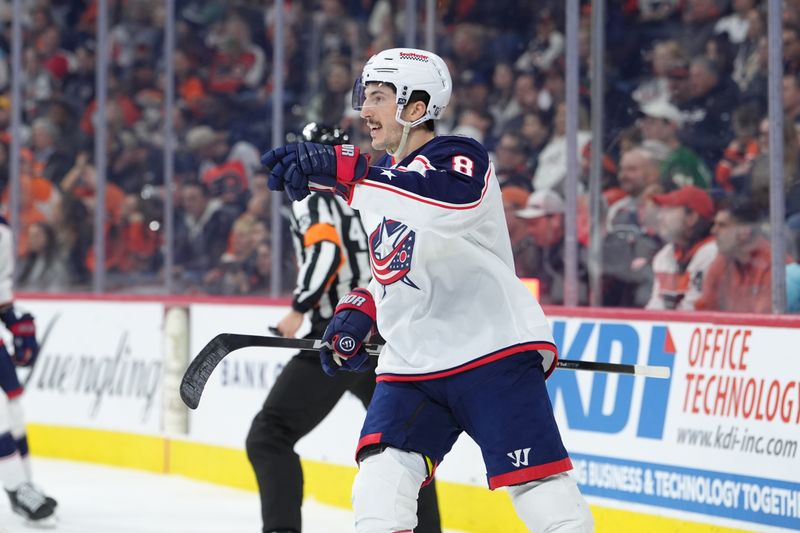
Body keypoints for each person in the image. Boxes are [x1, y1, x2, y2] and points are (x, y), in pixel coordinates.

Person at [262, 48, 594, 533]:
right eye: (364, 97)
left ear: (417, 108)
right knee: (379, 487)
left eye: (377, 97)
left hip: (490, 352)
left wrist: (350, 173)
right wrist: (362, 308)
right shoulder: (378, 190)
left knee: (540, 492)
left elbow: (444, 205)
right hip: (414, 363)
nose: (364, 111)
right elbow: (399, 269)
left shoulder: (459, 156)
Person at [246, 123, 442, 533]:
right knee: (406, 445)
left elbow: (326, 251)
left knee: (269, 435)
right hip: (384, 333)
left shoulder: (311, 198)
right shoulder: (375, 191)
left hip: (338, 335)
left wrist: (299, 307)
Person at [0, 216, 58, 525]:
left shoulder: (3, 231)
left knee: (13, 412)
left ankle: (26, 483)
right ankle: (16, 488)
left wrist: (13, 319)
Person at [695, 197, 773, 313]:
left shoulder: (775, 266)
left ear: (745, 231)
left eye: (722, 225)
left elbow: (764, 324)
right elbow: (705, 310)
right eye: (714, 224)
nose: (713, 231)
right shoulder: (722, 260)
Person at [646, 186, 718, 310]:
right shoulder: (664, 256)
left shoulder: (713, 253)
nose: (660, 217)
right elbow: (654, 309)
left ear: (691, 218)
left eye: (668, 210)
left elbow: (693, 312)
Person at [515, 189, 589, 305]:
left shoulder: (576, 254)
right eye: (527, 224)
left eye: (534, 223)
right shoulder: (525, 251)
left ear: (556, 219)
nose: (530, 230)